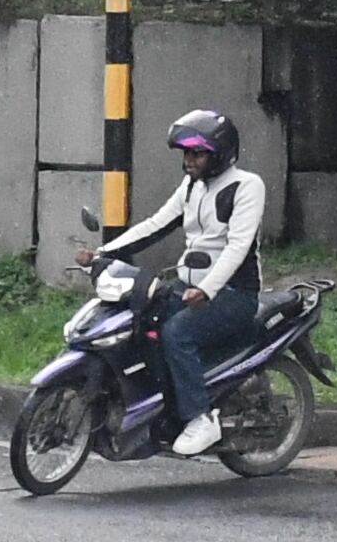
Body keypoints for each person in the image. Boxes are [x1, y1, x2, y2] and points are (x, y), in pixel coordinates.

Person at [92, 108, 268, 457]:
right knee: (143, 317)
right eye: (186, 153)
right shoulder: (192, 186)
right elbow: (157, 224)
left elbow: (237, 247)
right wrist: (104, 252)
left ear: (219, 154)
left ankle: (200, 418)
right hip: (191, 288)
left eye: (197, 153)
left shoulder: (247, 187)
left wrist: (207, 289)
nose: (189, 160)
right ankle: (160, 404)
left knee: (177, 333)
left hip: (234, 294)